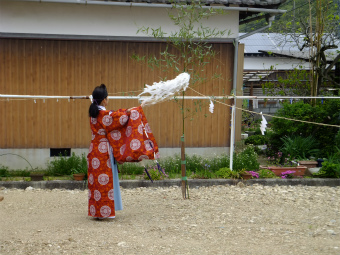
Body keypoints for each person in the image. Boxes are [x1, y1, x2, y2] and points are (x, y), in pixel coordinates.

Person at [87, 84, 136, 219]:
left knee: (96, 181)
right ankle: (105, 212)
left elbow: (114, 114)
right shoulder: (104, 114)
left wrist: (125, 111)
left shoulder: (94, 114)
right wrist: (129, 111)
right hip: (104, 152)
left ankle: (97, 211)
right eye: (107, 98)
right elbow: (119, 118)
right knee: (105, 180)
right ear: (104, 100)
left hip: (94, 149)